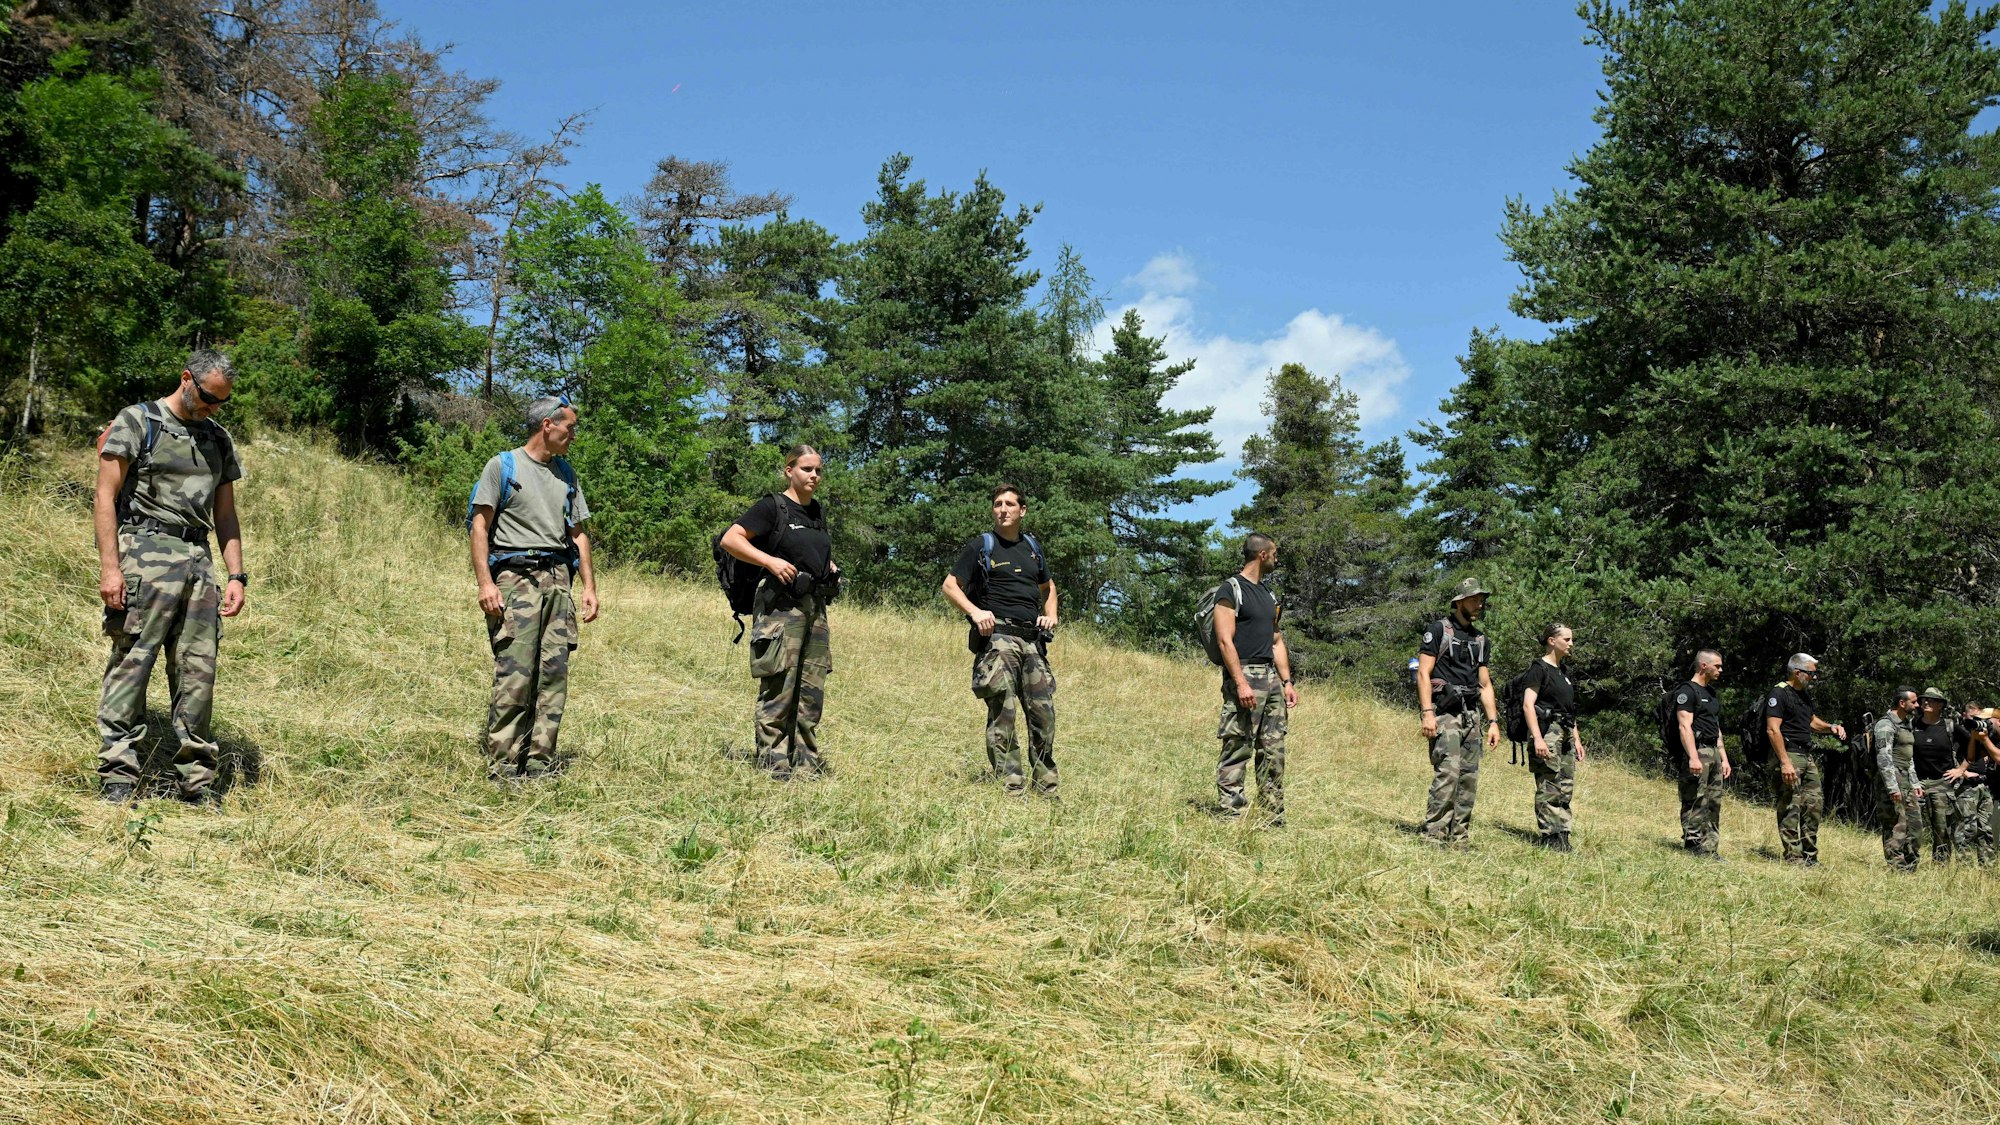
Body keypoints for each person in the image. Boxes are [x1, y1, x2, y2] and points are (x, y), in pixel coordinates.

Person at [94, 349, 247, 807]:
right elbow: (105, 496)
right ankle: (119, 775)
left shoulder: (217, 438)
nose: (213, 407)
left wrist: (236, 574)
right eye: (208, 397)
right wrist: (110, 567)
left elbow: (226, 513)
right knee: (132, 664)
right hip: (143, 555)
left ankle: (196, 781)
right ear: (186, 379)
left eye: (222, 401)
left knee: (198, 673)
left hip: (198, 564)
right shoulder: (138, 422)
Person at [468, 396, 599, 781]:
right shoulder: (503, 466)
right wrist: (485, 584)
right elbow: (479, 526)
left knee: (553, 674)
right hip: (515, 580)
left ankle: (540, 763)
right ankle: (504, 767)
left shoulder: (567, 474)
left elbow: (579, 534)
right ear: (547, 424)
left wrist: (589, 587)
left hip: (558, 581)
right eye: (569, 427)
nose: (573, 435)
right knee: (516, 672)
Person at [719, 444, 838, 780]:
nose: (814, 475)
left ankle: (805, 763)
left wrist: (827, 565)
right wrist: (769, 561)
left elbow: (809, 551)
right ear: (789, 471)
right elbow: (732, 539)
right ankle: (773, 763)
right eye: (806, 469)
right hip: (780, 610)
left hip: (815, 610)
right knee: (780, 686)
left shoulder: (817, 512)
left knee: (811, 690)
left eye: (818, 470)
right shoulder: (774, 507)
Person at [941, 484, 1059, 798]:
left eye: (1009, 504)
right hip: (999, 640)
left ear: (1023, 510)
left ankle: (1047, 788)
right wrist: (976, 611)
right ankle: (1012, 788)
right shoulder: (983, 545)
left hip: (1033, 643)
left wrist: (1051, 614)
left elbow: (1048, 587)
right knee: (1003, 715)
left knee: (1044, 716)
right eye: (997, 504)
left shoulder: (1033, 547)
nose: (1002, 509)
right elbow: (951, 586)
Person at [1207, 533, 1296, 825]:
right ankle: (1231, 814)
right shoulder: (1230, 590)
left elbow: (1276, 640)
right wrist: (1241, 682)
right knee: (1238, 745)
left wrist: (1287, 682)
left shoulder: (1269, 595)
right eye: (1274, 553)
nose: (1276, 557)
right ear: (1262, 555)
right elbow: (1224, 641)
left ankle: (1272, 817)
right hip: (1244, 674)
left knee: (1273, 750)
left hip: (1271, 680)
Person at [1418, 578, 1499, 847]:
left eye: (1481, 599)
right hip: (1445, 714)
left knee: (1468, 778)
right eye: (1474, 599)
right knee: (1448, 775)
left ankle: (1459, 838)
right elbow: (1423, 673)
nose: (1479, 604)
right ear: (1459, 601)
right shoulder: (1439, 630)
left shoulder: (1480, 639)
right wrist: (1427, 712)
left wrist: (1494, 722)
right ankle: (1435, 836)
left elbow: (1485, 684)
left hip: (1471, 717)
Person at [1762, 654, 1847, 867]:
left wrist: (1831, 728)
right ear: (1797, 672)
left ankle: (1810, 856)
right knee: (1791, 806)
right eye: (1811, 673)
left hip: (1806, 756)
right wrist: (1784, 762)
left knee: (1814, 805)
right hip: (1788, 754)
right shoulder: (1778, 693)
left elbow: (1812, 722)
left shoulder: (1803, 696)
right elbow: (1773, 730)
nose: (1814, 678)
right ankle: (1794, 857)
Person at [1522, 623, 1587, 852]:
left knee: (1566, 786)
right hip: (1547, 732)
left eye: (1571, 640)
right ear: (1552, 640)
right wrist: (1538, 738)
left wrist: (1577, 739)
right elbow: (1528, 705)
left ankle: (1563, 835)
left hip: (1566, 733)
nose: (1571, 644)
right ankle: (1550, 836)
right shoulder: (1539, 669)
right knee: (1549, 784)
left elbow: (1570, 709)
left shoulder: (1564, 672)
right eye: (1567, 639)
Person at [1671, 649, 1731, 860]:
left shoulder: (1711, 694)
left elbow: (1716, 727)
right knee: (1695, 798)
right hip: (1697, 750)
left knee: (1713, 801)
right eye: (1717, 666)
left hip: (1713, 750)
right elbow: (1684, 727)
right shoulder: (1687, 691)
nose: (1721, 670)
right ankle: (1692, 843)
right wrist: (1693, 757)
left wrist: (1724, 758)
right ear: (1703, 665)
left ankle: (1709, 847)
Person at [1870, 688, 1920, 871]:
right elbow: (1884, 759)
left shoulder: (1906, 723)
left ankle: (1911, 864)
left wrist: (1914, 783)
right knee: (1896, 824)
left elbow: (1909, 757)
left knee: (1914, 825)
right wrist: (1892, 787)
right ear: (1902, 703)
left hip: (1906, 777)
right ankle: (1897, 867)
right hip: (1893, 778)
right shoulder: (1885, 724)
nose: (1917, 705)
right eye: (1913, 702)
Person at [1909, 687, 1961, 863]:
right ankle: (1909, 863)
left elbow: (1976, 745)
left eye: (1931, 700)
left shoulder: (1950, 726)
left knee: (1942, 828)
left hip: (1942, 783)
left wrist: (1961, 770)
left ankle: (1941, 866)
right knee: (1911, 825)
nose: (1926, 702)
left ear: (1940, 705)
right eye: (1924, 699)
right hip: (1916, 783)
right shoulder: (1912, 725)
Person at [1945, 701, 1996, 865]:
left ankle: (1987, 863)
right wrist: (1963, 772)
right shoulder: (1959, 733)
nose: (1976, 720)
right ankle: (1964, 865)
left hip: (1985, 784)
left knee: (1985, 827)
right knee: (1967, 827)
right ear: (1964, 715)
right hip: (1967, 787)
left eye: (1978, 717)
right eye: (1972, 717)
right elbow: (1949, 756)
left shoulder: (1984, 734)